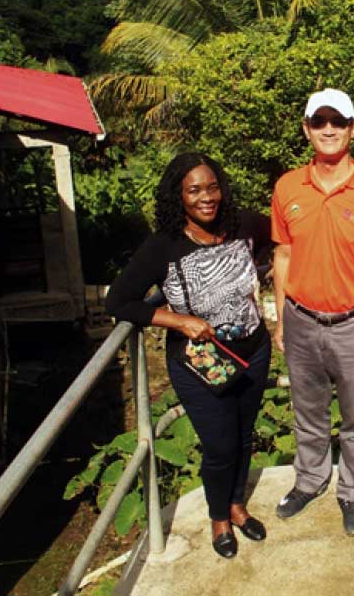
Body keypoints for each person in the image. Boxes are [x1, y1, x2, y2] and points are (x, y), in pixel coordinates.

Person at [106, 152, 271, 559]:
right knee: (219, 445)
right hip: (201, 363)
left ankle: (236, 505)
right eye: (194, 190)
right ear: (178, 196)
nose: (206, 197)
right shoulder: (163, 246)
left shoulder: (244, 225)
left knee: (244, 435)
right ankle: (219, 517)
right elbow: (119, 301)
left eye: (212, 187)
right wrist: (176, 320)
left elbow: (276, 245)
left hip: (254, 348)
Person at [271, 88, 354, 536]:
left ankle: (353, 491)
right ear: (307, 128)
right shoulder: (287, 186)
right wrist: (280, 320)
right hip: (300, 319)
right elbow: (283, 255)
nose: (329, 129)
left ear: (353, 128)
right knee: (306, 412)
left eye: (338, 121)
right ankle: (309, 480)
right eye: (319, 121)